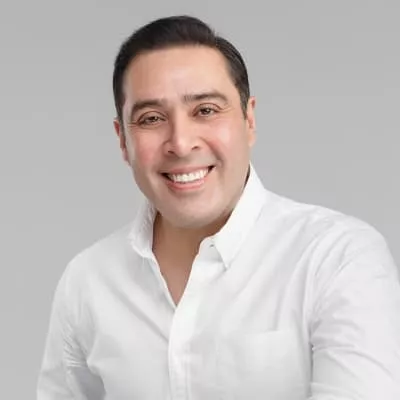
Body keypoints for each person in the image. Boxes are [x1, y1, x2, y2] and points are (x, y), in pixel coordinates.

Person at [37, 15, 400, 400]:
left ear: (248, 120)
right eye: (151, 118)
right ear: (123, 141)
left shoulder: (337, 258)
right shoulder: (87, 282)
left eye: (206, 110)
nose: (181, 143)